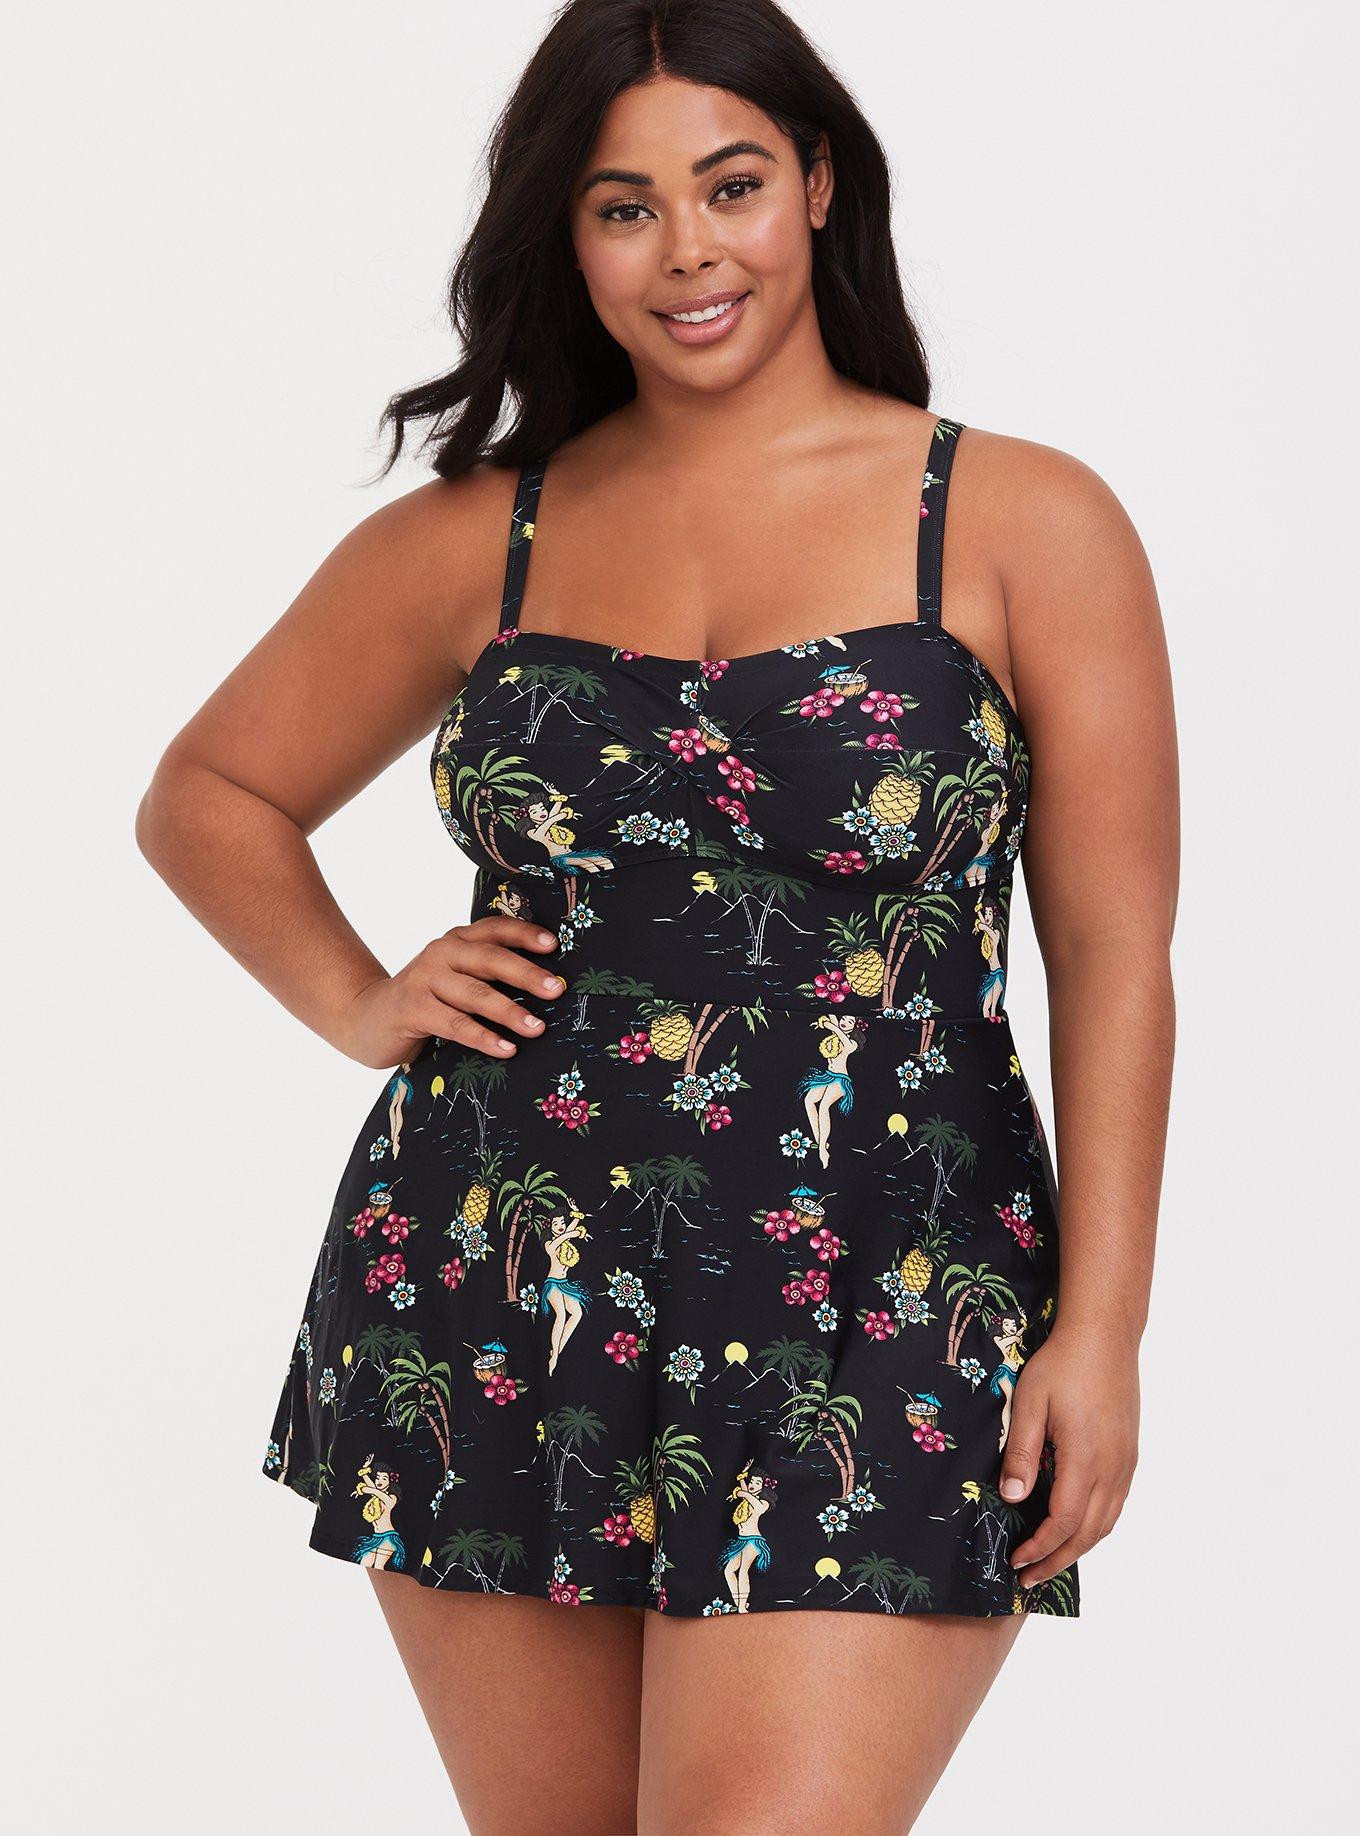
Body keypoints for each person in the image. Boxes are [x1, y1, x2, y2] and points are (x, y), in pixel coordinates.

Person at [136, 1, 1177, 1827]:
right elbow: (208, 795)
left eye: (732, 186)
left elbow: (1112, 955)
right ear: (570, 237)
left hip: (894, 1284)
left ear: (820, 187)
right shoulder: (480, 537)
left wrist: (1104, 1329)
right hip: (495, 1273)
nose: (689, 250)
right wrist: (365, 997)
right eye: (627, 208)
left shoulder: (1021, 519)